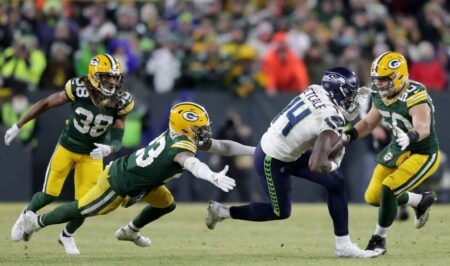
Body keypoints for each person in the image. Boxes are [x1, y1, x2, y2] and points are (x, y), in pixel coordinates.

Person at [19, 102, 255, 251]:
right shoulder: (182, 145)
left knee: (166, 204)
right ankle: (37, 222)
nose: (203, 132)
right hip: (121, 181)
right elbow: (190, 163)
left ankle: (130, 231)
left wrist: (256, 150)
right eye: (198, 128)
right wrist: (211, 176)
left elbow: (223, 146)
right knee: (83, 209)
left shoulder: (179, 135)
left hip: (145, 181)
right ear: (185, 128)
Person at [206, 67, 380, 258]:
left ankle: (343, 246)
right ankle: (223, 211)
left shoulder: (315, 89)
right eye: (348, 95)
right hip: (271, 159)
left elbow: (316, 129)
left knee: (336, 182)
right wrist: (334, 162)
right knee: (280, 211)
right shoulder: (330, 117)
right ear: (336, 91)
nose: (351, 101)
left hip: (287, 150)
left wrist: (339, 140)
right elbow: (317, 163)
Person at [3, 54, 134, 255]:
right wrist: (18, 125)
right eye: (107, 76)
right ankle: (26, 214)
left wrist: (111, 148)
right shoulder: (78, 88)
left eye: (115, 77)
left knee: (86, 204)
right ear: (94, 75)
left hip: (92, 154)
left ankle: (66, 236)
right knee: (49, 194)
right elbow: (46, 103)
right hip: (67, 146)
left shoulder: (121, 100)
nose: (112, 81)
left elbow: (118, 131)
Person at [341, 51, 440, 255]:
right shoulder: (379, 94)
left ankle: (379, 239)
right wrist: (348, 136)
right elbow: (369, 123)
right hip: (397, 148)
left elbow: (423, 127)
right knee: (373, 197)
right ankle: (418, 201)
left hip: (422, 152)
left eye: (385, 79)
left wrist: (410, 137)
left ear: (400, 76)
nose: (380, 85)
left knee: (389, 189)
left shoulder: (415, 93)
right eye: (377, 80)